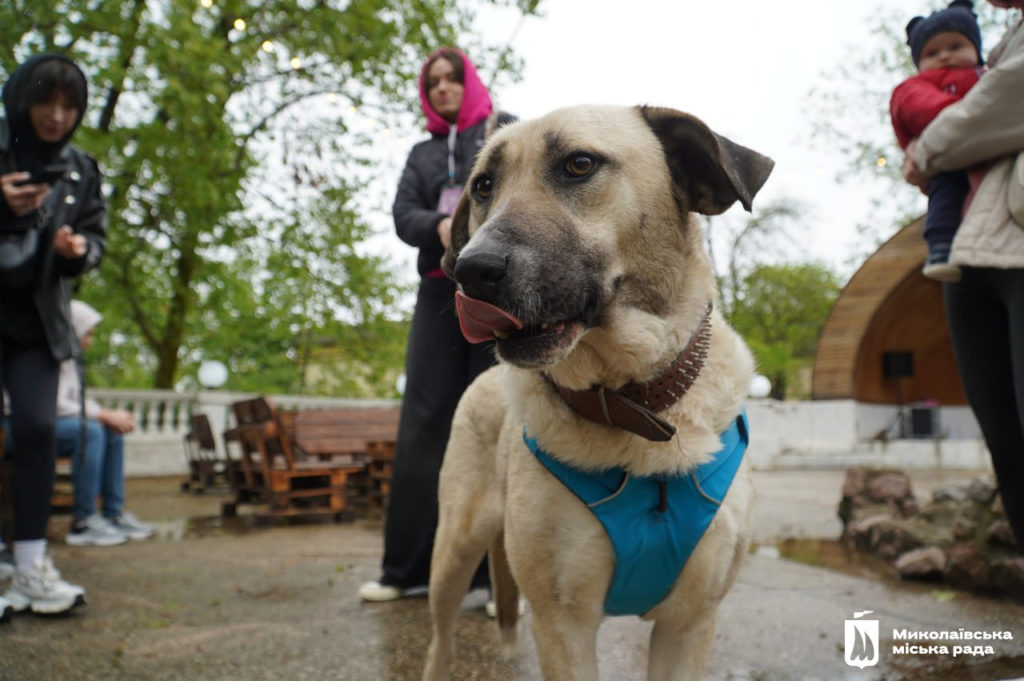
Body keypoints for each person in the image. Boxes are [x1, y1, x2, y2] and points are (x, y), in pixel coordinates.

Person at [358, 47, 514, 602]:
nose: (443, 88)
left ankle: (497, 579)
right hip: (436, 293)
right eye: (433, 83)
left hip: (496, 289)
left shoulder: (504, 130)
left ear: (469, 82)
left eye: (452, 79)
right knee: (423, 423)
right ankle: (405, 570)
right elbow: (403, 217)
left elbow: (530, 194)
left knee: (500, 419)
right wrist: (442, 225)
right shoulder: (421, 154)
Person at [902, 0, 1024, 554]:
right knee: (1006, 439)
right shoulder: (1000, 49)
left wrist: (927, 152)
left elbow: (998, 109)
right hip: (973, 249)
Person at [0, 53, 107, 616]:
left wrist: (79, 250)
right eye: (46, 101)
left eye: (69, 106)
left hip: (37, 319)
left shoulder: (81, 169)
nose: (57, 116)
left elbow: (96, 237)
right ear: (22, 99)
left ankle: (30, 565)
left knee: (39, 429)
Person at [890, 0, 986, 282]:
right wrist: (961, 110)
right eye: (932, 52)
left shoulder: (988, 75)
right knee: (946, 197)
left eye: (955, 47)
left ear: (975, 49)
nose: (945, 56)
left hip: (990, 162)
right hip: (947, 164)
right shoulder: (916, 86)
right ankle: (941, 245)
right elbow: (919, 107)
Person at [59, 300, 154, 546]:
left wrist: (108, 415)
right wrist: (103, 415)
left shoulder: (70, 360)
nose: (89, 340)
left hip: (53, 423)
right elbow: (55, 404)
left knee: (111, 432)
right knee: (91, 433)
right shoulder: (52, 355)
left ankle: (113, 513)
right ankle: (83, 522)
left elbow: (74, 400)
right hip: (20, 424)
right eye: (86, 333)